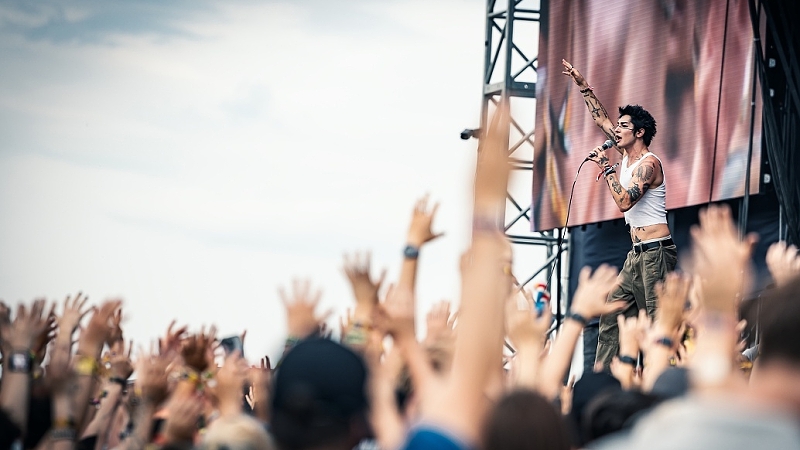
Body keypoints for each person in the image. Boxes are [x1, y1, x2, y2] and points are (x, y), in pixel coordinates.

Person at [562, 59, 678, 370]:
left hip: (656, 254)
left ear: (639, 133)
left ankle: (660, 382)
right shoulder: (625, 156)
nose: (617, 129)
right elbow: (601, 119)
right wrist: (583, 85)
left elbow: (625, 201)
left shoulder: (649, 164)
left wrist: (606, 168)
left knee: (656, 324)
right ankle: (602, 379)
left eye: (624, 126)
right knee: (611, 313)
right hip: (635, 254)